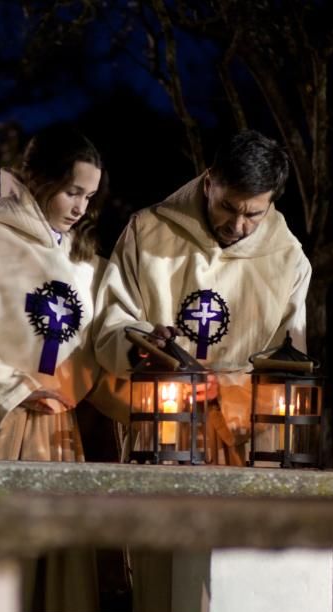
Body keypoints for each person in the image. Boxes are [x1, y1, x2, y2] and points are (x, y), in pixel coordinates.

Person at [0, 126, 124, 612]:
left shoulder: (86, 264)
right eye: (72, 191)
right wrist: (12, 388)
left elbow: (98, 349)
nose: (80, 207)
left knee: (54, 575)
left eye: (89, 197)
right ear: (39, 180)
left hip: (57, 434)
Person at [95, 129, 312, 461]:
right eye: (228, 207)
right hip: (162, 429)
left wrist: (225, 390)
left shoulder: (289, 260)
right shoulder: (147, 233)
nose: (237, 225)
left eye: (253, 214)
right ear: (209, 183)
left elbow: (290, 365)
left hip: (248, 445)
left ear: (271, 202)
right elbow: (110, 325)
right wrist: (142, 348)